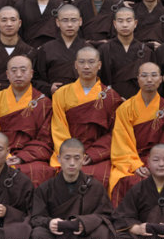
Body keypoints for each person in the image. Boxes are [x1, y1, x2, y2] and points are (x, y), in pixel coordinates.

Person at [27, 138, 115, 239]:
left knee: (102, 231)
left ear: (83, 159)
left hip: (83, 234)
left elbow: (106, 216)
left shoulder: (95, 186)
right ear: (59, 159)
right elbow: (35, 217)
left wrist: (85, 223)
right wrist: (49, 223)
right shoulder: (46, 188)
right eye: (67, 158)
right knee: (38, 234)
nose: (72, 163)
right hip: (56, 235)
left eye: (77, 158)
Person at [49, 46, 122, 187]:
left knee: (105, 176)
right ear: (76, 65)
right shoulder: (61, 94)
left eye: (91, 62)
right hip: (68, 150)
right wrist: (70, 154)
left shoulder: (111, 97)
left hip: (98, 153)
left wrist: (93, 154)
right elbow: (58, 129)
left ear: (99, 65)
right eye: (82, 62)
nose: (86, 66)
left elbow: (116, 132)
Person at [109, 62, 164, 206]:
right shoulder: (125, 108)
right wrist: (135, 165)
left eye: (154, 75)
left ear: (160, 79)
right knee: (123, 179)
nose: (149, 80)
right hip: (130, 159)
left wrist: (152, 163)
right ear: (138, 79)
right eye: (144, 76)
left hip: (157, 159)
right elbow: (121, 142)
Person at [0, 55, 54, 186]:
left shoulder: (44, 103)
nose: (18, 74)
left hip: (31, 156)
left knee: (39, 171)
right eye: (14, 71)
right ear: (7, 75)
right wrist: (3, 155)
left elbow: (45, 140)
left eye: (23, 70)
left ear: (31, 73)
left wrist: (22, 157)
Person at [98, 6, 155, 99]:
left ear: (135, 23)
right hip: (111, 100)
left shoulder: (146, 51)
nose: (125, 25)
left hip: (139, 101)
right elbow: (99, 81)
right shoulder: (104, 49)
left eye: (128, 21)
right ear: (115, 24)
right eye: (120, 21)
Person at [32, 4, 86, 96]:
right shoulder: (46, 49)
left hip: (83, 98)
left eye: (74, 20)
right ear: (57, 22)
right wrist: (49, 88)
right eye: (65, 20)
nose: (69, 25)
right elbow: (35, 79)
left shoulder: (88, 49)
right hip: (55, 98)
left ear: (80, 21)